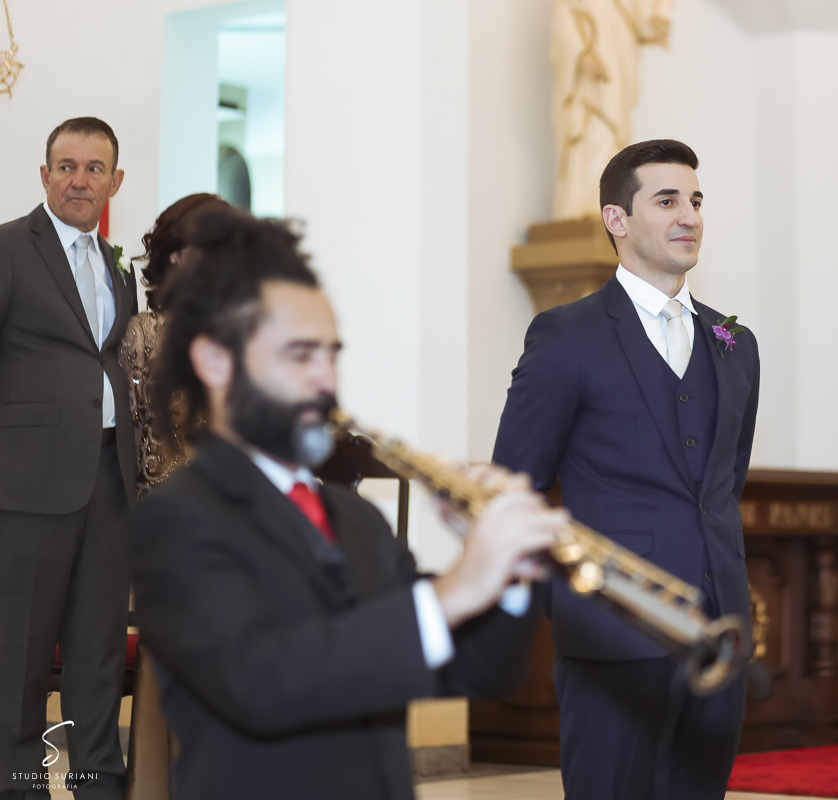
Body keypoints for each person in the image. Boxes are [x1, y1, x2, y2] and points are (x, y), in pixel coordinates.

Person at [128, 208, 563, 800]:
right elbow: (263, 682)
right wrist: (457, 589)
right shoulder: (177, 519)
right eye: (300, 355)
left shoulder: (355, 518)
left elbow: (479, 670)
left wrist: (509, 575)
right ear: (215, 361)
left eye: (331, 354)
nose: (326, 380)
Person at [492, 139, 761, 799]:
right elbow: (512, 486)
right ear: (617, 219)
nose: (689, 216)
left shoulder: (735, 340)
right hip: (610, 635)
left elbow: (727, 480)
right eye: (667, 200)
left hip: (717, 637)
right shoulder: (566, 335)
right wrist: (572, 599)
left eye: (695, 201)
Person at [0, 117, 137, 800]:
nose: (78, 179)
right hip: (26, 487)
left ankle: (100, 787)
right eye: (66, 165)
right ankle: (19, 786)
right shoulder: (7, 248)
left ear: (115, 181)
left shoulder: (119, 265)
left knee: (98, 653)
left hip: (111, 481)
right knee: (18, 656)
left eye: (93, 168)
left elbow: (108, 358)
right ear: (45, 174)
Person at [119, 193, 229, 497]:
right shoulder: (143, 333)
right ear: (175, 254)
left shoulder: (246, 334)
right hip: (164, 509)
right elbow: (131, 439)